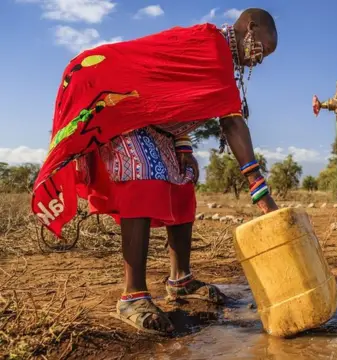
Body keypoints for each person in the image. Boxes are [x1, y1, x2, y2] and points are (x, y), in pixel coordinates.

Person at [32, 9, 279, 335]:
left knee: (182, 185)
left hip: (150, 121)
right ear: (251, 27)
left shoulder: (216, 55)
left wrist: (184, 148)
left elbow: (173, 98)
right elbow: (231, 121)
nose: (259, 60)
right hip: (115, 100)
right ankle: (132, 296)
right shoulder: (212, 46)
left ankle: (181, 280)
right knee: (142, 176)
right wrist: (259, 189)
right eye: (263, 47)